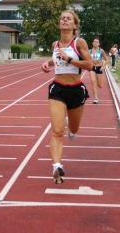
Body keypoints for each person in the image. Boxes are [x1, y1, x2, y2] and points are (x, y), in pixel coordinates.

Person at [41, 10, 93, 184]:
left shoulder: (79, 43)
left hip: (76, 90)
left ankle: (71, 127)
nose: (64, 19)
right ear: (59, 23)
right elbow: (57, 60)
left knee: (73, 130)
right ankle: (56, 166)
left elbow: (89, 65)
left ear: (75, 25)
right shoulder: (55, 44)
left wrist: (69, 59)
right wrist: (47, 63)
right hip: (58, 89)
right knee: (56, 132)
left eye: (68, 18)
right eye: (62, 18)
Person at [89, 37, 109, 104]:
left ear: (99, 44)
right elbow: (87, 60)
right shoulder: (90, 51)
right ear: (92, 43)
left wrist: (103, 67)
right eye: (94, 41)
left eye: (97, 42)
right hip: (92, 68)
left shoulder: (101, 51)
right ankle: (96, 98)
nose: (95, 43)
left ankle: (98, 78)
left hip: (99, 67)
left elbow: (107, 60)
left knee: (100, 85)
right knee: (92, 81)